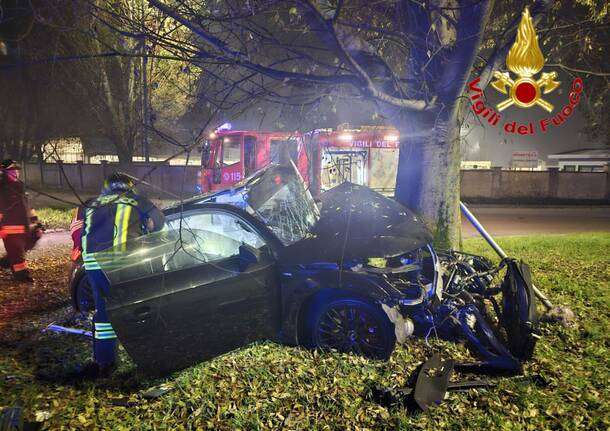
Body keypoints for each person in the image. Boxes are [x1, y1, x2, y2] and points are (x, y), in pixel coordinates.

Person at [76, 172, 165, 379]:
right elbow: (160, 224)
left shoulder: (92, 203)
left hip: (94, 264)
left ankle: (105, 362)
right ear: (129, 187)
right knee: (136, 308)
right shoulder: (137, 201)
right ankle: (143, 355)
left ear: (107, 187)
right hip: (124, 263)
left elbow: (81, 234)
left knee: (103, 313)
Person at [0, 159, 43, 283]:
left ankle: (6, 261)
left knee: (33, 237)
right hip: (10, 230)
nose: (15, 173)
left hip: (26, 227)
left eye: (17, 171)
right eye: (11, 171)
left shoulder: (19, 188)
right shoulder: (2, 190)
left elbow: (29, 207)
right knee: (17, 255)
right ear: (4, 173)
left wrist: (37, 223)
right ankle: (23, 278)